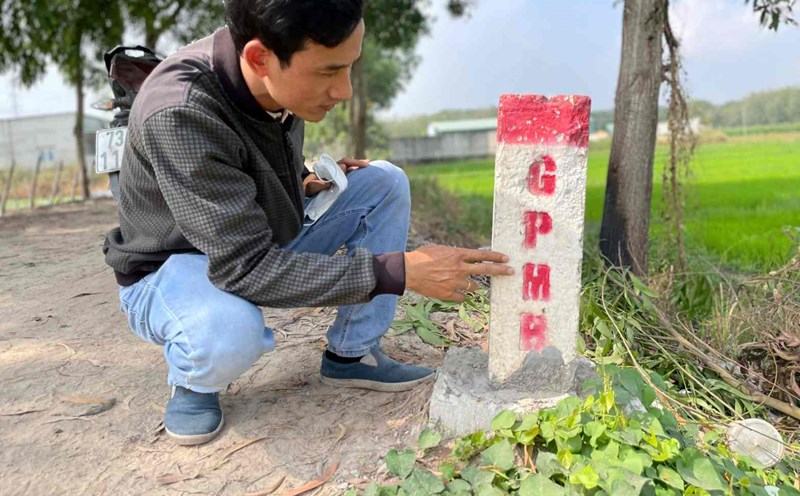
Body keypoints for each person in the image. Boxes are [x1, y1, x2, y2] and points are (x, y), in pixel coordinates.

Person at [104, 0, 513, 446]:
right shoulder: (181, 111)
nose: (345, 90)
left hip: (253, 238)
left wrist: (303, 179)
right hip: (175, 266)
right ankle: (194, 379)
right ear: (260, 59)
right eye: (329, 72)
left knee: (384, 183)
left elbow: (252, 156)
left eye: (350, 67)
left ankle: (351, 354)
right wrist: (401, 271)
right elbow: (246, 268)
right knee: (229, 332)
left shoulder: (276, 74)